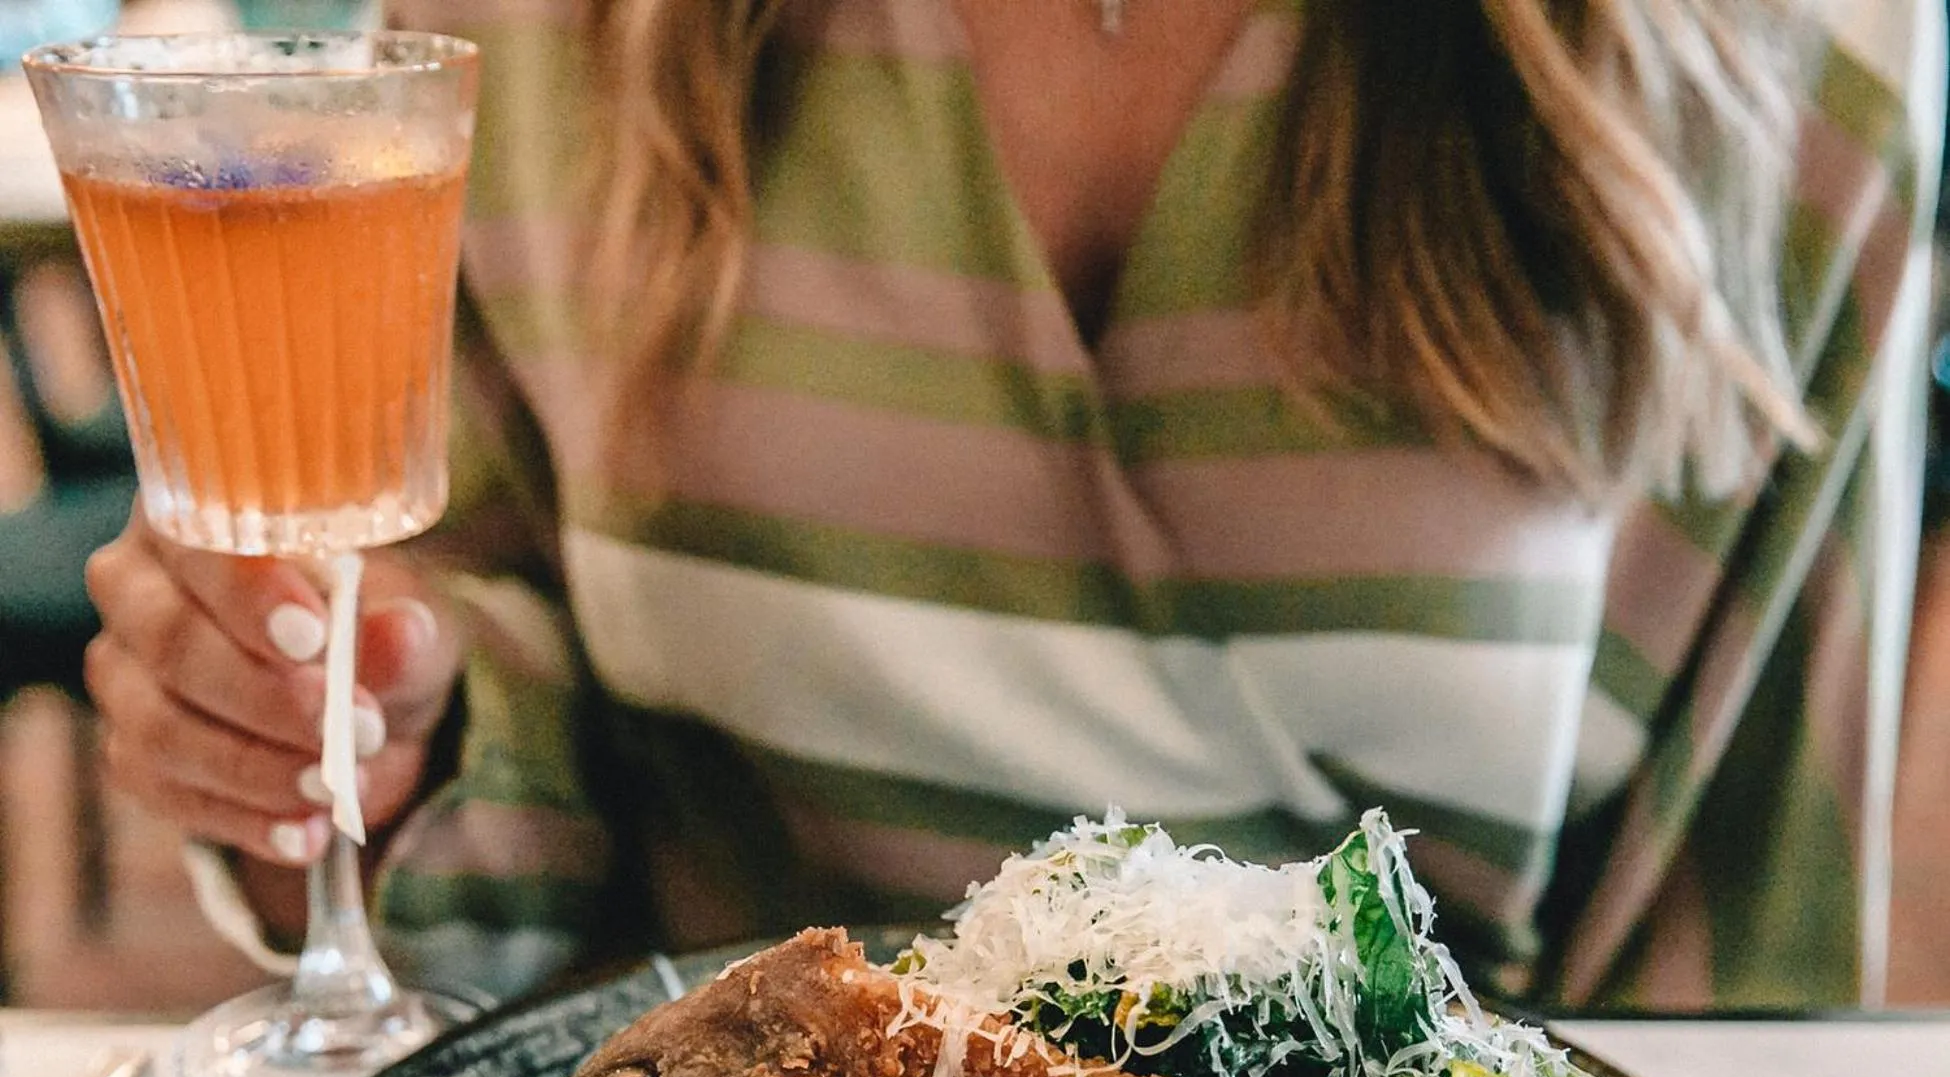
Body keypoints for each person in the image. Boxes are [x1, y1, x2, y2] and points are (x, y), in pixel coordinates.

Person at [80, 0, 1947, 1009]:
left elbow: (1742, 1017)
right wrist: (347, 743)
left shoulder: (1792, 73)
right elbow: (501, 731)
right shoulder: (540, 37)